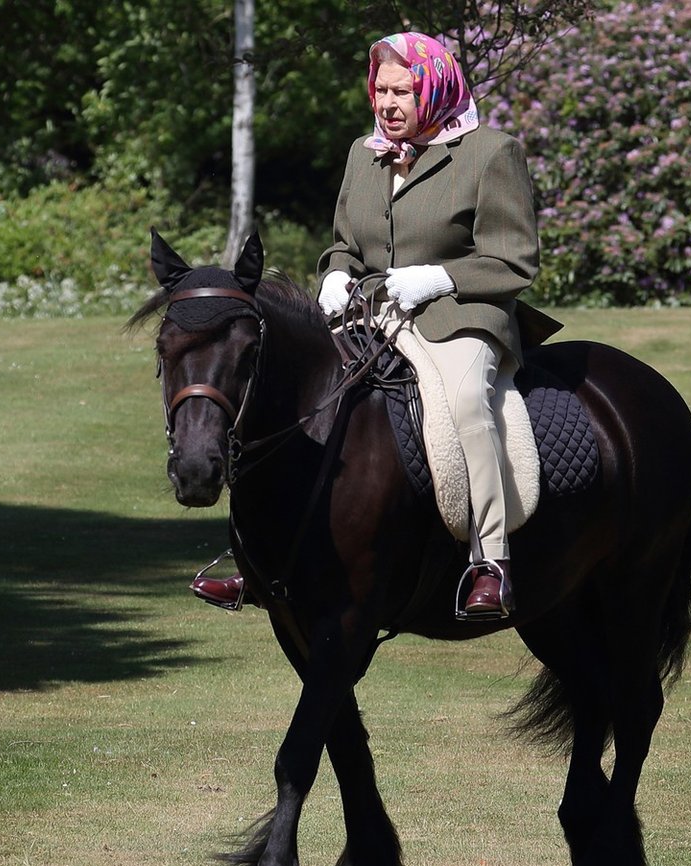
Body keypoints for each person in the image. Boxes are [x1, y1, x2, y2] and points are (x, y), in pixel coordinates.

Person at [193, 30, 553, 619]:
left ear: (435, 87)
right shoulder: (364, 154)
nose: (387, 104)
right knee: (283, 392)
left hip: (458, 315)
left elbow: (515, 261)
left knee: (465, 402)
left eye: (402, 91)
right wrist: (334, 274)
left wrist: (439, 278)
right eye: (380, 91)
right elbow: (343, 245)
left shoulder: (491, 153)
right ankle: (260, 560)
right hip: (370, 315)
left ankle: (490, 562)